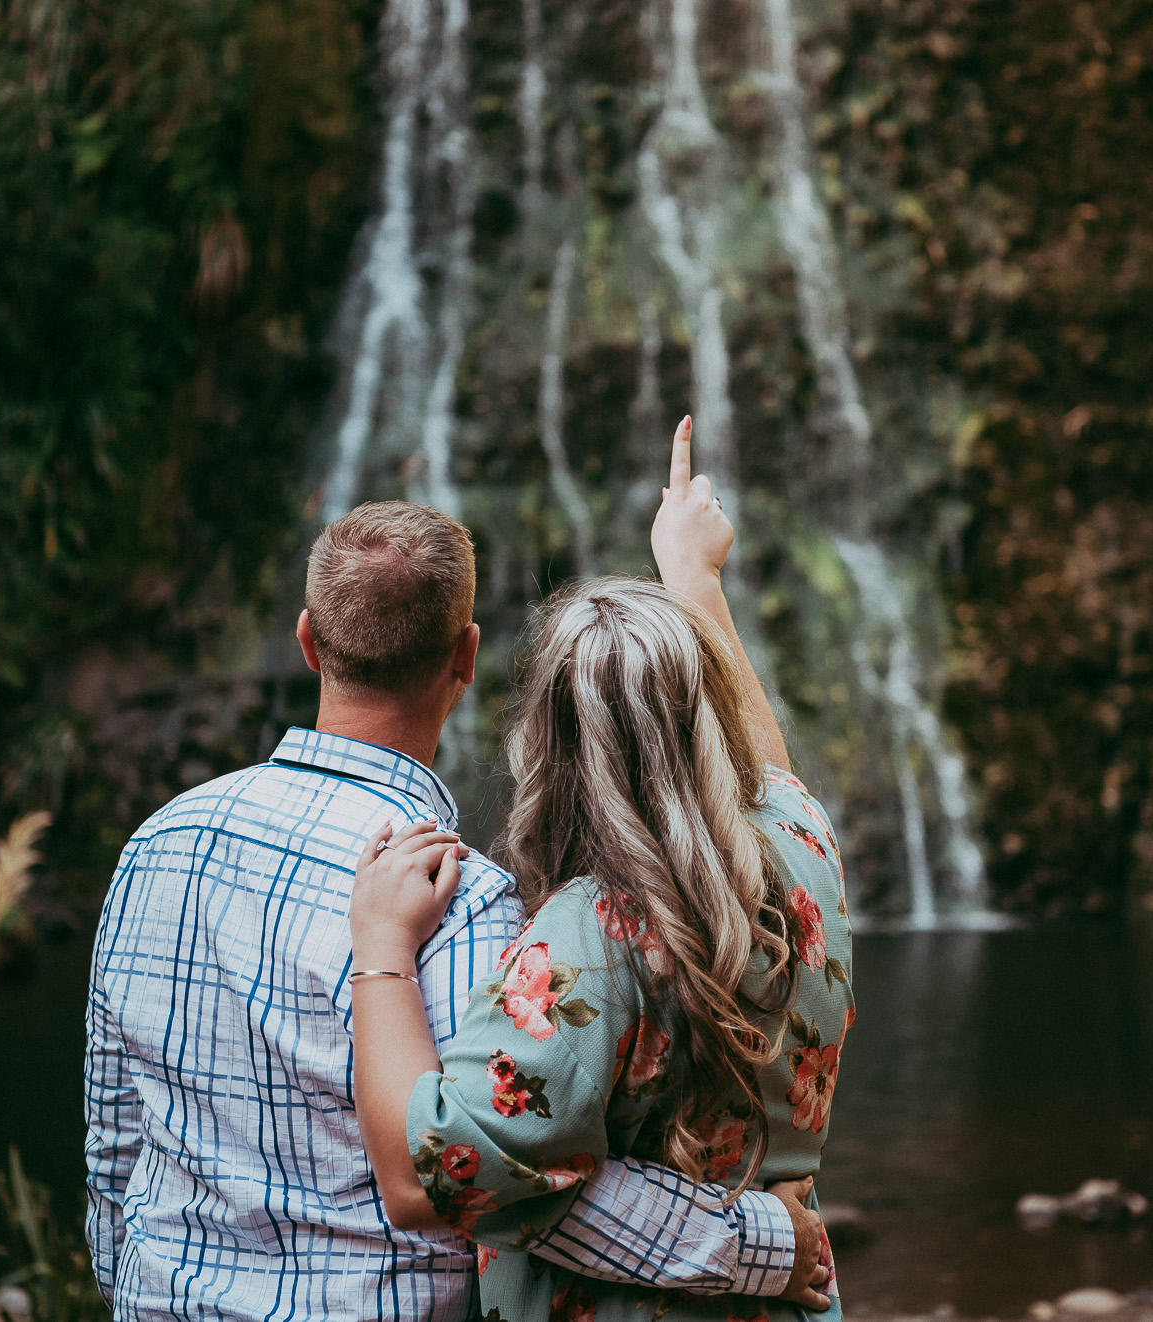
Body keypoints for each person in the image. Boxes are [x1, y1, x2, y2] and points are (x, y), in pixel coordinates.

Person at [85, 498, 829, 1321]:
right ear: (468, 656)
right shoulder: (465, 902)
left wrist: (125, 1287)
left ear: (307, 639)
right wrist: (762, 1243)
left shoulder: (159, 843)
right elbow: (507, 1190)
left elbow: (114, 1134)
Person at [345, 418, 855, 1322]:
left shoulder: (593, 931)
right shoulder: (801, 841)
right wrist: (695, 575)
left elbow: (433, 1178)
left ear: (549, 741)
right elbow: (765, 767)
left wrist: (381, 951)